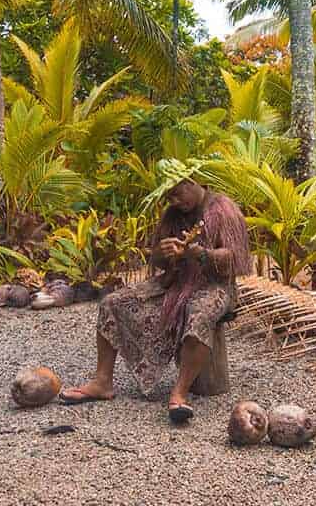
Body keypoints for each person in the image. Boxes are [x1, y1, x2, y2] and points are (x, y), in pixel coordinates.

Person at [60, 160, 251, 423]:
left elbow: (235, 260)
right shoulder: (172, 215)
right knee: (113, 302)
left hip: (215, 286)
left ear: (191, 182)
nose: (174, 200)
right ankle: (102, 381)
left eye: (176, 192)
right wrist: (162, 254)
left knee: (199, 313)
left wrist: (202, 255)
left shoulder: (223, 209)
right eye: (168, 196)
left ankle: (179, 393)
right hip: (175, 283)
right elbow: (157, 261)